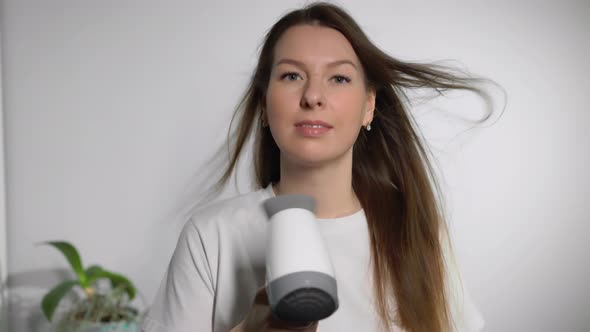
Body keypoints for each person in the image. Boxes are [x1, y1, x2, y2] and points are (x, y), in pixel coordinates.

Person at [142, 2, 495, 331]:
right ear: (265, 104)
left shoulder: (417, 233)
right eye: (292, 76)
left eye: (338, 78)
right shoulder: (212, 235)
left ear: (368, 106)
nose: (313, 96)